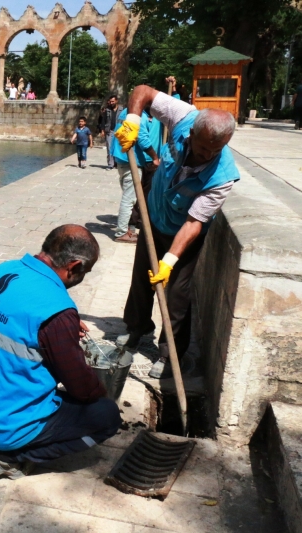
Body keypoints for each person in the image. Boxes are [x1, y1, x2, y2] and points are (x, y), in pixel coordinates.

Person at [0, 225, 121, 479]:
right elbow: (81, 388)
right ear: (73, 266)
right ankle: (10, 457)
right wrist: (102, 393)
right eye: (85, 271)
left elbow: (17, 322)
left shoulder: (5, 270)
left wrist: (63, 329)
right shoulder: (57, 312)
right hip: (0, 425)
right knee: (106, 416)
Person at [114, 76, 239, 379]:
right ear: (192, 132)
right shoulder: (184, 116)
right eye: (201, 147)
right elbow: (142, 91)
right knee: (141, 280)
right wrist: (132, 118)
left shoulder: (221, 177)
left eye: (214, 150)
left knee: (177, 296)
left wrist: (169, 261)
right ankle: (137, 330)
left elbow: (195, 223)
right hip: (152, 218)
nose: (206, 155)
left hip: (182, 233)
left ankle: (171, 354)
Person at [109, 108, 162, 243]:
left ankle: (124, 227)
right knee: (129, 198)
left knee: (128, 195)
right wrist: (155, 157)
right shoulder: (139, 116)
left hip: (121, 158)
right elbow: (142, 138)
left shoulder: (126, 111)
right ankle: (121, 232)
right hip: (130, 161)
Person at [98, 94, 121, 170]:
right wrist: (102, 130)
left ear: (116, 101)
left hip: (119, 131)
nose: (111, 103)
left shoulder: (122, 109)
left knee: (118, 148)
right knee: (110, 148)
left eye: (113, 101)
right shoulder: (107, 110)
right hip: (110, 131)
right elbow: (103, 121)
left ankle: (117, 163)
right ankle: (110, 164)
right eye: (110, 101)